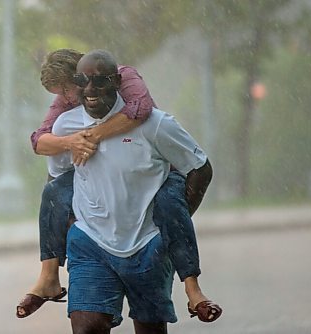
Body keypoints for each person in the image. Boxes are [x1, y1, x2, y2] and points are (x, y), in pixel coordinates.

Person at [16, 49, 221, 324]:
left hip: (154, 212)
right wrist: (70, 143)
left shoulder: (139, 98)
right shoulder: (66, 118)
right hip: (91, 242)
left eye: (98, 82)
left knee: (170, 206)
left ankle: (193, 289)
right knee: (53, 192)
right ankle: (49, 276)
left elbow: (141, 111)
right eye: (78, 84)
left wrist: (168, 228)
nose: (69, 96)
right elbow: (41, 144)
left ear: (114, 80)